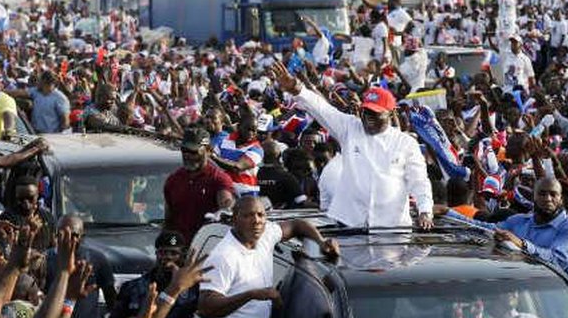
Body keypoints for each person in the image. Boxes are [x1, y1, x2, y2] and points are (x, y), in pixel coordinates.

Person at [271, 61, 434, 230]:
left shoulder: (406, 143)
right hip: (350, 225)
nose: (368, 117)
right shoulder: (350, 127)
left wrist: (425, 210)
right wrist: (296, 89)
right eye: (366, 112)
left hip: (391, 229)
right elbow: (321, 109)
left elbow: (419, 180)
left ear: (391, 113)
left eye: (375, 113)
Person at [197, 196, 338, 318]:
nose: (256, 221)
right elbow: (205, 308)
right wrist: (253, 294)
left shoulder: (265, 235)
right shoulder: (224, 256)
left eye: (260, 215)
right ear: (235, 219)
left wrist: (321, 242)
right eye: (248, 215)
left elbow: (296, 225)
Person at [441, 177, 568, 285]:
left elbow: (557, 262)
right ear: (534, 196)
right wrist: (447, 213)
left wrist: (522, 244)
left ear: (560, 199)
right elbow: (484, 229)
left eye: (553, 194)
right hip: (527, 292)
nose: (548, 199)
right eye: (542, 194)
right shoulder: (519, 221)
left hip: (563, 300)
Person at [163, 127, 235, 243]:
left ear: (208, 151)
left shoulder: (218, 179)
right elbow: (169, 221)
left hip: (207, 249)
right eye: (184, 150)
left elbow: (226, 210)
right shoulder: (173, 180)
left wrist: (227, 210)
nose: (187, 155)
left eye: (193, 152)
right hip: (180, 249)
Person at [257, 139, 307, 209]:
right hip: (282, 216)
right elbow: (301, 201)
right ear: (279, 155)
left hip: (257, 215)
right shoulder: (287, 177)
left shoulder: (252, 175)